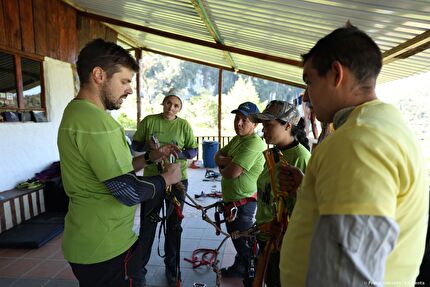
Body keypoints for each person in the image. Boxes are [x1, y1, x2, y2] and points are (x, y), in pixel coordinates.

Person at [279, 23, 428, 286]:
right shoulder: (385, 127)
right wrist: (309, 188)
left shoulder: (358, 143)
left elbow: (348, 276)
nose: (306, 95)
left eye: (310, 81)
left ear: (336, 74)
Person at [57, 39, 182, 287]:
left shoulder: (77, 113)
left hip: (90, 241)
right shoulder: (96, 124)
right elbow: (127, 190)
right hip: (106, 248)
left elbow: (113, 171)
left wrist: (149, 158)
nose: (129, 90)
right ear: (99, 75)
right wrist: (167, 178)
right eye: (124, 81)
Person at [132, 92, 198, 286]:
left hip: (177, 180)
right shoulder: (149, 122)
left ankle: (172, 270)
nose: (171, 108)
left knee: (174, 226)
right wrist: (152, 149)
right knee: (148, 225)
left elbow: (193, 151)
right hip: (153, 179)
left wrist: (175, 153)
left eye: (176, 105)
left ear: (180, 109)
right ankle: (139, 270)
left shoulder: (183, 125)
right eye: (168, 103)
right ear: (163, 103)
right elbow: (135, 145)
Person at [250, 100, 311, 287]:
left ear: (287, 125)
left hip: (282, 243)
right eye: (263, 125)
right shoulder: (275, 154)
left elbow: (303, 207)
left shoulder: (299, 158)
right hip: (267, 238)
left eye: (269, 125)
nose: (263, 130)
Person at [214, 101, 266, 280]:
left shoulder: (254, 143)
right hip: (233, 203)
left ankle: (254, 277)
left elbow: (231, 173)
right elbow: (216, 155)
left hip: (244, 204)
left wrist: (225, 164)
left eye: (244, 120)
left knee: (246, 244)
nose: (239, 123)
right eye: (237, 118)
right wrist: (229, 161)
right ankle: (240, 268)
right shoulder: (238, 140)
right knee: (238, 240)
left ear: (255, 124)